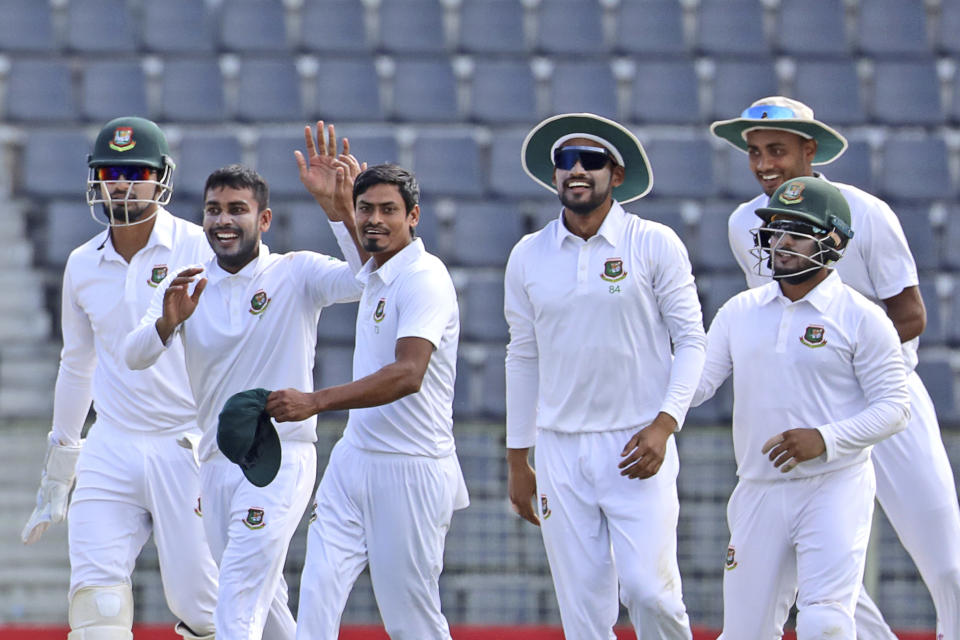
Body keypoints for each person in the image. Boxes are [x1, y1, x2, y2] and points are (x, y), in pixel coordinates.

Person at [712, 96, 960, 638]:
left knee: (949, 564)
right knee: (817, 583)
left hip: (885, 398)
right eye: (753, 152)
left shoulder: (865, 211)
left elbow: (911, 314)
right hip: (805, 404)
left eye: (776, 149)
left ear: (810, 149)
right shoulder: (743, 223)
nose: (762, 164)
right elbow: (774, 316)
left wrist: (845, 358)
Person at [123, 137, 364, 640]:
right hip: (214, 461)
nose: (223, 220)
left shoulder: (295, 273)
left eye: (237, 209)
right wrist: (167, 324)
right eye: (213, 210)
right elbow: (135, 355)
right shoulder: (187, 285)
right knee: (266, 602)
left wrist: (339, 213)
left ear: (265, 220)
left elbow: (366, 281)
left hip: (279, 458)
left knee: (234, 594)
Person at [505, 112, 706, 638]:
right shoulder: (528, 254)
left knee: (651, 593)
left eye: (591, 160)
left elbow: (692, 341)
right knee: (584, 614)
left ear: (616, 175)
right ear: (553, 176)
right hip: (559, 450)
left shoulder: (654, 243)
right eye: (564, 161)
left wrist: (665, 424)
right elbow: (522, 356)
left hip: (637, 442)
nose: (576, 170)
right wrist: (517, 458)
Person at [20, 116, 218, 640]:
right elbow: (76, 364)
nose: (123, 183)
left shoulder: (200, 248)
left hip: (186, 441)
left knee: (203, 608)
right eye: (111, 171)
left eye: (136, 171)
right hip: (111, 443)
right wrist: (60, 468)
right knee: (96, 606)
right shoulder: (82, 264)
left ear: (161, 178)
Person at [692, 176, 910, 637]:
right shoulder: (739, 311)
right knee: (744, 633)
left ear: (832, 241)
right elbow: (697, 385)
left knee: (825, 623)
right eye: (774, 231)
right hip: (758, 487)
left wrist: (825, 439)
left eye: (795, 232)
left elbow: (895, 407)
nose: (779, 244)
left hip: (834, 485)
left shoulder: (862, 318)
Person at [264, 163, 469, 640]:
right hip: (354, 460)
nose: (374, 219)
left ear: (414, 216)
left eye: (388, 210)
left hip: (412, 468)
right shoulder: (377, 272)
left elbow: (408, 373)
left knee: (410, 620)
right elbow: (362, 257)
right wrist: (332, 206)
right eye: (365, 209)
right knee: (316, 597)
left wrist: (315, 401)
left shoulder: (425, 278)